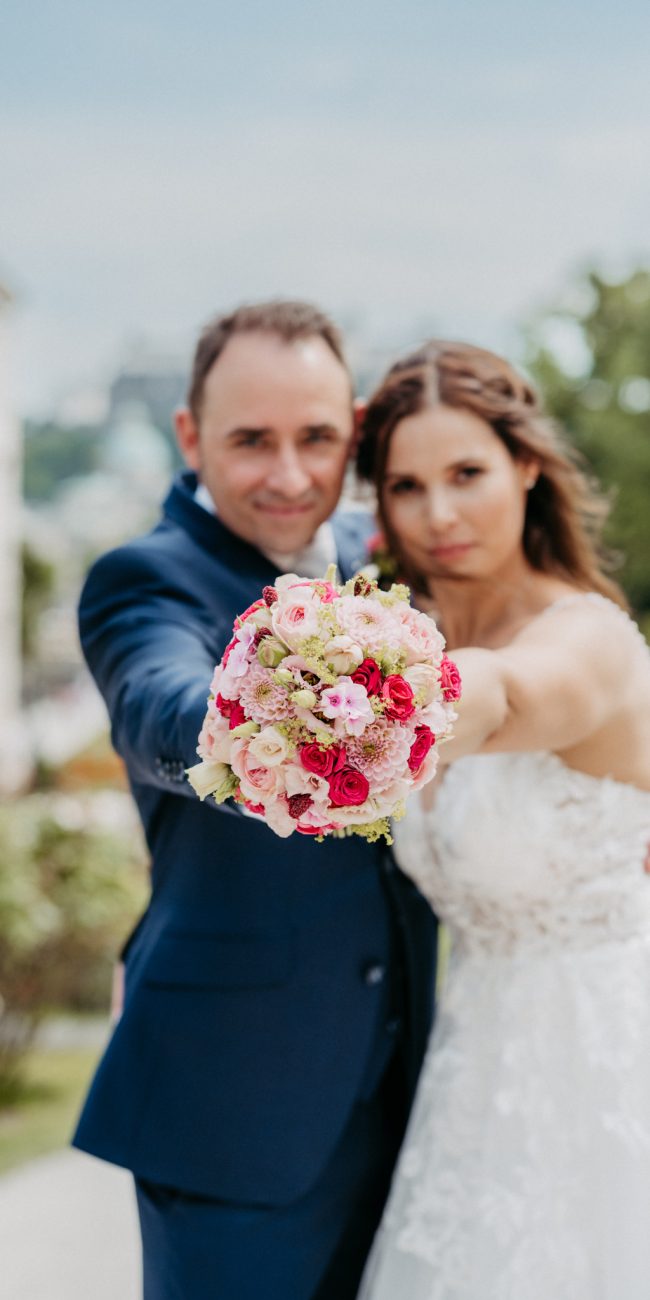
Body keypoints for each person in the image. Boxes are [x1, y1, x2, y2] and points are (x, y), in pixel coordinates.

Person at [72, 300, 437, 1300]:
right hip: (231, 1108)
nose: (287, 474)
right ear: (190, 436)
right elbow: (164, 709)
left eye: (315, 437)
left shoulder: (387, 555)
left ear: (354, 431)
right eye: (249, 440)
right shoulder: (143, 580)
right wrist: (289, 720)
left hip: (413, 1094)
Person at [355, 340, 650, 1299]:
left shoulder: (589, 640)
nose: (439, 515)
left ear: (528, 466)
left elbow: (509, 692)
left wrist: (395, 705)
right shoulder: (394, 632)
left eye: (467, 474)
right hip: (468, 1079)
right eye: (406, 486)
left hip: (605, 1068)